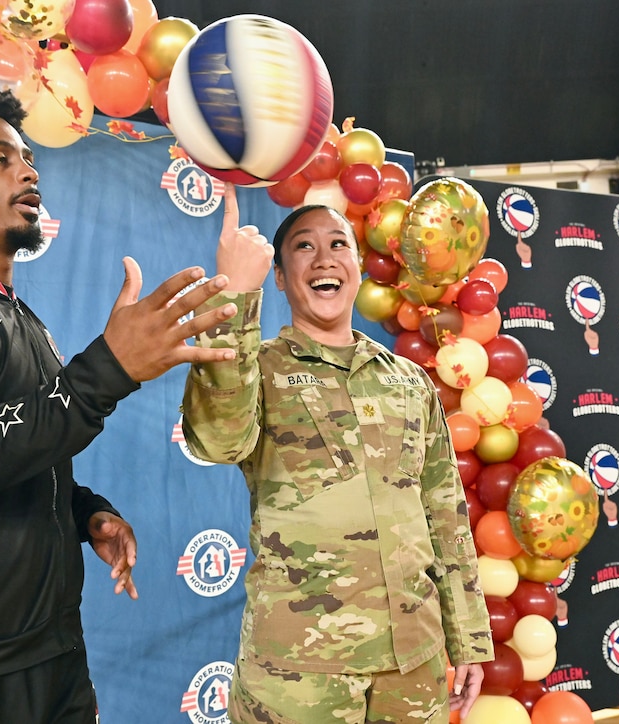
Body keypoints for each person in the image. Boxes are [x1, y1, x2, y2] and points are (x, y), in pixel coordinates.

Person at [0, 79, 239, 723]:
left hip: (50, 658)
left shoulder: (18, 316)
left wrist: (83, 513)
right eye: (0, 158)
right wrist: (111, 366)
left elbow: (15, 444)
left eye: (28, 158)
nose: (28, 171)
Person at [181, 187, 494, 723]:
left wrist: (467, 636)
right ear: (278, 275)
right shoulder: (259, 367)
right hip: (299, 675)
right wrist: (233, 296)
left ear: (357, 265)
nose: (324, 258)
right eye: (303, 247)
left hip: (412, 663)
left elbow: (444, 513)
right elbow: (218, 440)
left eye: (338, 244)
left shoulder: (408, 381)